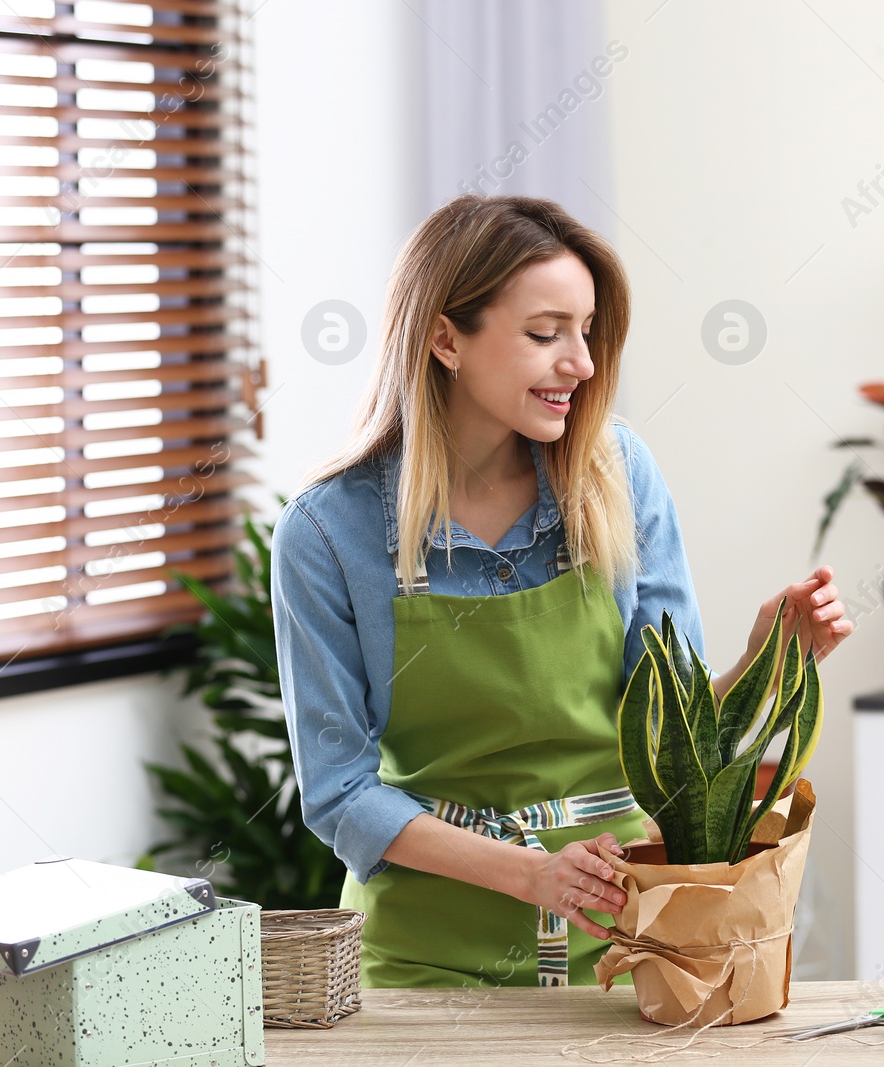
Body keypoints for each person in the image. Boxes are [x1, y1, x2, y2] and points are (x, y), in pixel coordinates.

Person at [269, 194, 852, 989]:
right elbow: (340, 794)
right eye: (546, 334)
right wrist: (533, 872)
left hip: (626, 942)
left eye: (585, 332)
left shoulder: (619, 477)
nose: (579, 362)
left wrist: (769, 661)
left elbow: (676, 741)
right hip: (422, 962)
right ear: (445, 337)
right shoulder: (329, 532)